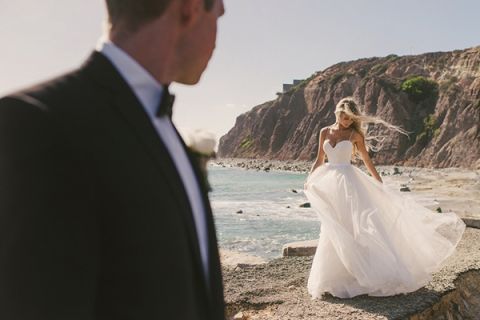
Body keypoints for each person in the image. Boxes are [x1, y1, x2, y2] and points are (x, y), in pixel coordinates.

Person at [0, 0, 225, 319]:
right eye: (219, 14)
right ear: (189, 8)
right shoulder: (39, 121)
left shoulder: (162, 126)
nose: (218, 37)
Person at [304, 97, 466, 299]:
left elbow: (366, 160)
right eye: (344, 117)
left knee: (354, 226)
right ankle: (332, 277)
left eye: (350, 119)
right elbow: (319, 158)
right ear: (337, 113)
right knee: (333, 226)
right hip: (329, 182)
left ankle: (360, 274)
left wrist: (379, 184)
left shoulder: (355, 135)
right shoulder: (324, 132)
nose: (346, 121)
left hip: (349, 183)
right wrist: (309, 179)